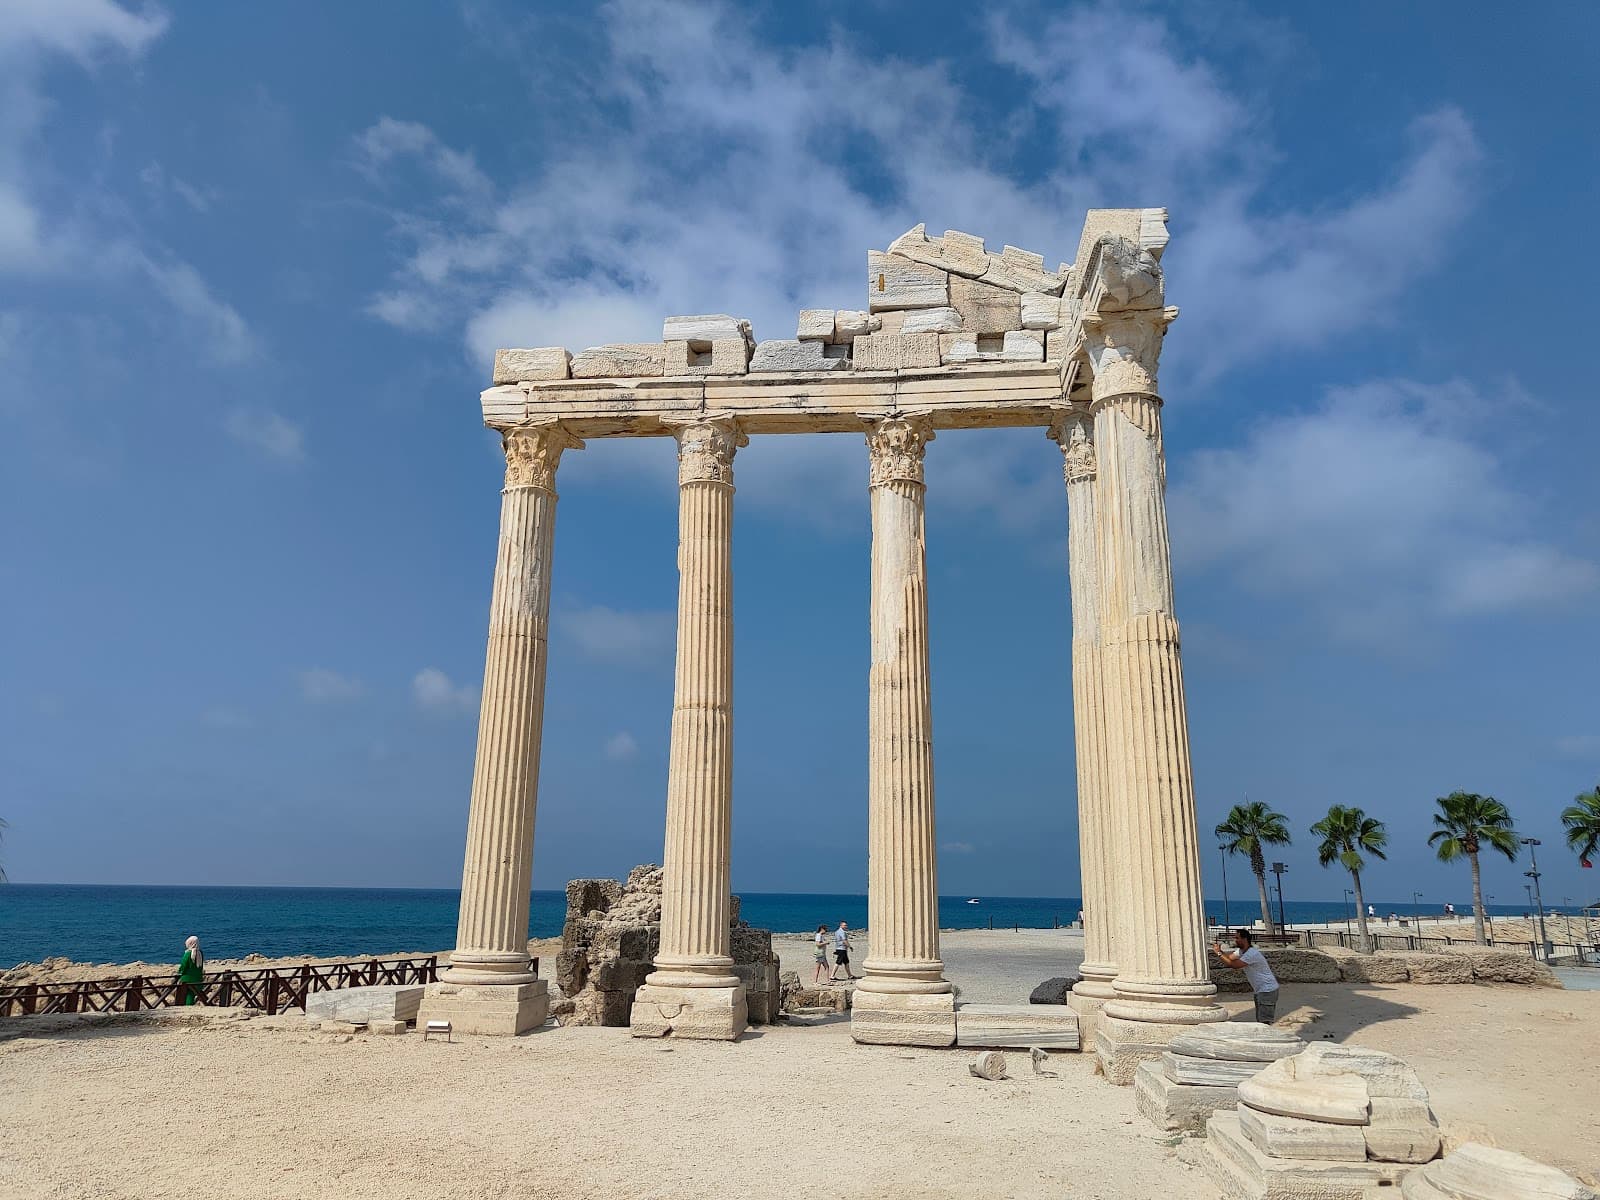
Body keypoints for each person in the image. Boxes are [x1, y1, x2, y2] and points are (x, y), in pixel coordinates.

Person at [1212, 928, 1279, 1024]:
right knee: (1261, 1020)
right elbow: (1229, 959)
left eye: (1237, 938)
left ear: (1245, 939)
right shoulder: (1241, 951)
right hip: (1261, 990)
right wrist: (1220, 951)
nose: (1235, 940)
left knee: (1265, 1022)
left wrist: (1218, 953)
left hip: (1267, 990)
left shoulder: (1252, 954)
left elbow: (1234, 965)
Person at [177, 935, 204, 1006]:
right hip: (198, 979)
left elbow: (183, 966)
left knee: (184, 992)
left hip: (187, 979)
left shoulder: (188, 954)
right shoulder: (200, 953)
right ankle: (189, 1004)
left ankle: (184, 1005)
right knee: (191, 994)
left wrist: (180, 972)